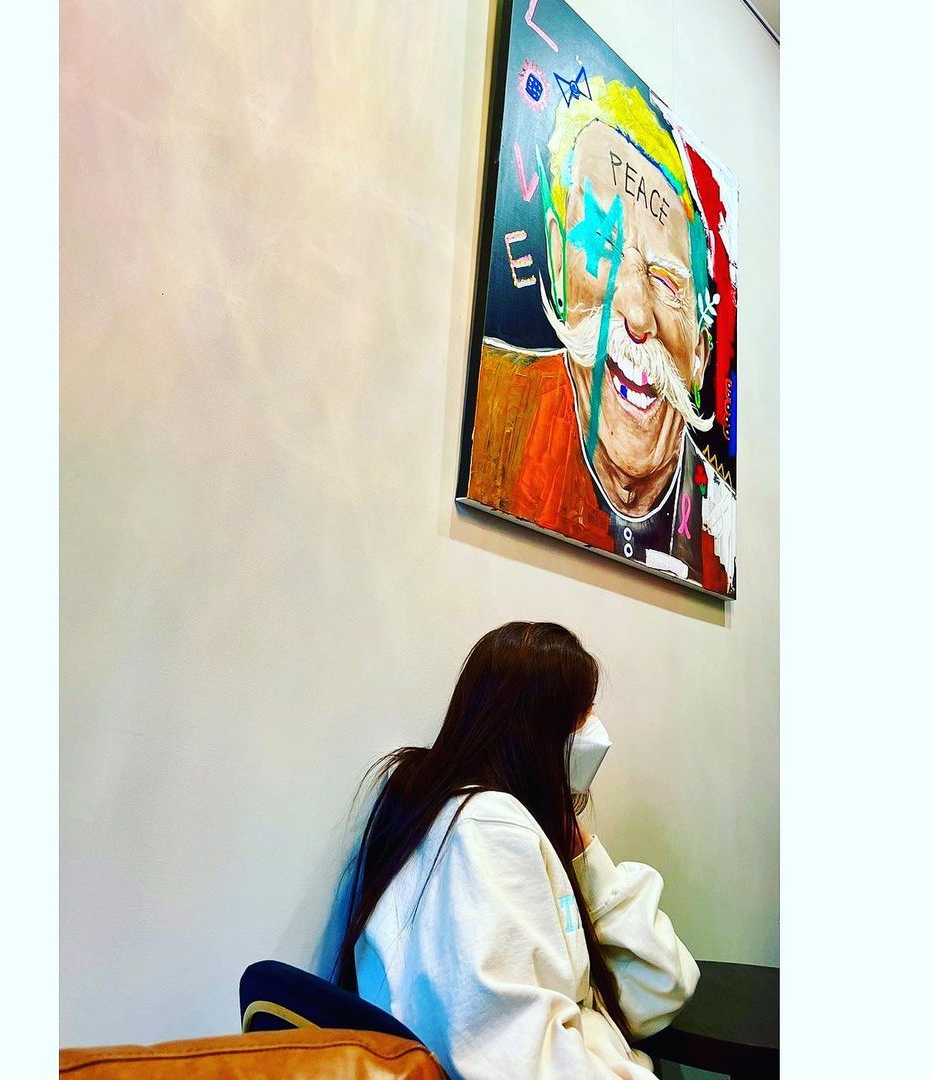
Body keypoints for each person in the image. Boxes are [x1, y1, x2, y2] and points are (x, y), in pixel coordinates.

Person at [334, 622, 699, 1079]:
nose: (595, 730)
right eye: (583, 712)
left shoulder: (471, 818)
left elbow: (661, 986)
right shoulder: (487, 829)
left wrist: (580, 846)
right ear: (540, 726)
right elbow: (511, 1055)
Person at [466, 77, 736, 593]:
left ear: (700, 353)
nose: (637, 313)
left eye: (665, 280)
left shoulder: (723, 536)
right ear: (556, 261)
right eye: (603, 246)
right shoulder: (496, 408)